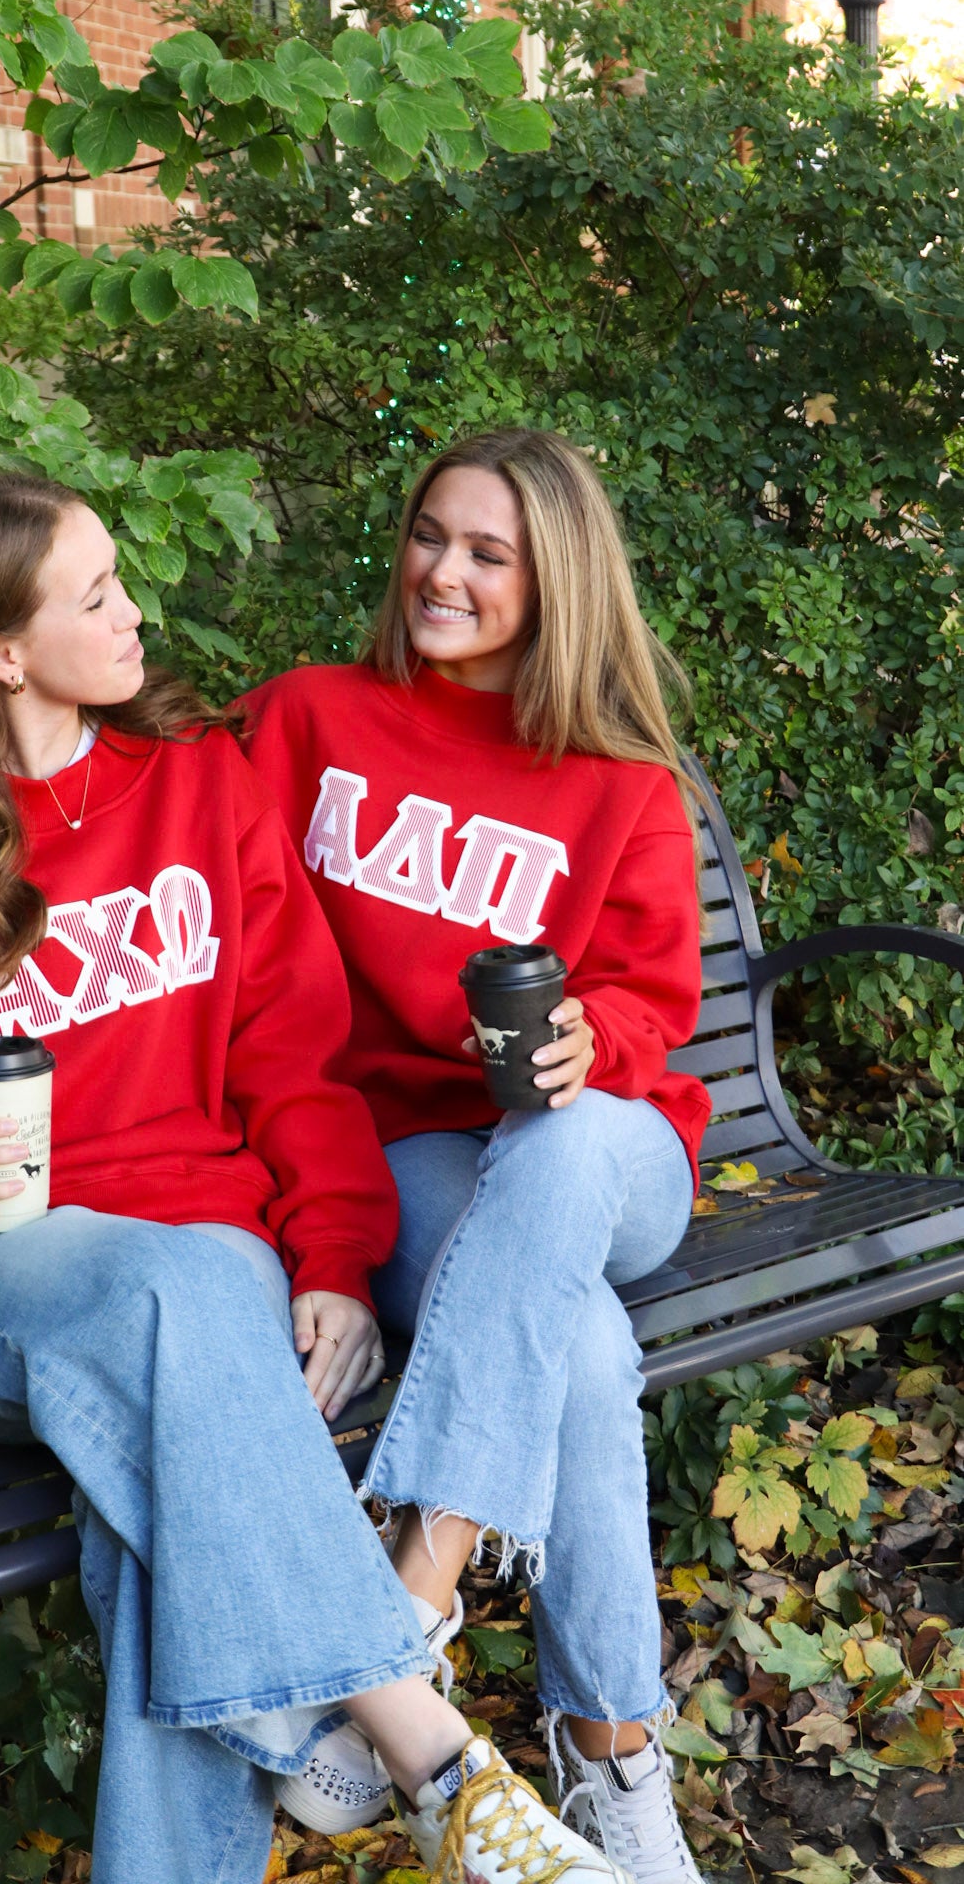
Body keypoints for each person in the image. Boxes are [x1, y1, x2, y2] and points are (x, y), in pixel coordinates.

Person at [0, 471, 625, 1884]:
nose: (133, 614)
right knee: (178, 1295)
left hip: (210, 1275)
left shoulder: (194, 786)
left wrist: (334, 1266)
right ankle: (426, 1751)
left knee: (158, 1474)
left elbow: (294, 1059)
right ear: (0, 650)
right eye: (95, 593)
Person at [243, 429, 712, 1884]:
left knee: (564, 1160)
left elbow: (650, 995)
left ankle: (400, 1609)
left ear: (552, 577)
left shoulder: (615, 780)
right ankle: (612, 1754)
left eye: (486, 552)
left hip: (602, 1151)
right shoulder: (311, 720)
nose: (440, 570)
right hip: (405, 1155)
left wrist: (593, 1044)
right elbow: (207, 891)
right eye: (427, 534)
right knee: (569, 1347)